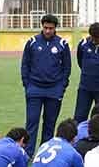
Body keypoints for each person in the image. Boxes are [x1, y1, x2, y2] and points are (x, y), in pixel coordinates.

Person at [21, 14, 72, 157]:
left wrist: (62, 86)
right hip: (34, 88)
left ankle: (44, 152)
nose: (48, 31)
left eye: (51, 28)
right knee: (32, 123)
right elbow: (25, 64)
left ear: (55, 28)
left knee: (49, 124)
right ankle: (28, 153)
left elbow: (67, 67)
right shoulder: (32, 42)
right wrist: (27, 84)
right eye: (45, 28)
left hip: (54, 89)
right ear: (42, 27)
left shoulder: (62, 43)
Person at [74, 23, 99, 124]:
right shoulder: (83, 44)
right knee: (79, 117)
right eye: (93, 37)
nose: (94, 40)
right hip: (85, 88)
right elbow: (80, 61)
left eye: (97, 38)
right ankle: (78, 139)